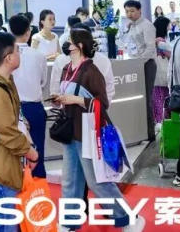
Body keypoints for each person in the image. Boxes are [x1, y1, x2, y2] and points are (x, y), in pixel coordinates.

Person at [54, 29, 146, 231]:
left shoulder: (91, 71)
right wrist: (61, 100)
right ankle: (69, 223)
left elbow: (101, 104)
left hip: (87, 132)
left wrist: (76, 99)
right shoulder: (66, 68)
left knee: (97, 181)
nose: (67, 44)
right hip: (70, 132)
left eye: (70, 41)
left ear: (79, 46)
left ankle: (129, 218)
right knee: (70, 181)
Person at [0, 32, 38, 231]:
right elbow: (7, 132)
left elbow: (15, 120)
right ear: (9, 58)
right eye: (18, 51)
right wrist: (31, 153)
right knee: (7, 224)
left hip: (6, 163)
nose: (20, 54)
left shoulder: (5, 81)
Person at [8, 14, 48, 178]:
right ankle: (38, 189)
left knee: (12, 155)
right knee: (37, 153)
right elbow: (43, 82)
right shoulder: (39, 56)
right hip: (34, 108)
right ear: (28, 32)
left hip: (11, 108)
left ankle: (15, 188)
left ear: (10, 31)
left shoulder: (5, 56)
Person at [50, 23, 115, 102]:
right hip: (67, 108)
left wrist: (99, 107)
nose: (68, 43)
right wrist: (58, 101)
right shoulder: (61, 60)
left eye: (70, 39)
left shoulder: (102, 61)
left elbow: (108, 89)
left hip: (91, 108)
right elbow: (55, 89)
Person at [122, 0, 157, 141]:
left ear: (139, 10)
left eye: (132, 11)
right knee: (137, 98)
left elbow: (150, 48)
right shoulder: (131, 26)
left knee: (146, 98)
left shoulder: (147, 25)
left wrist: (138, 63)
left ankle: (150, 133)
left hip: (146, 64)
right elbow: (126, 44)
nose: (129, 14)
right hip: (134, 64)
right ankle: (139, 131)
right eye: (127, 11)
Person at [152, 17, 172, 127]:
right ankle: (163, 122)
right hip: (163, 74)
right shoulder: (161, 42)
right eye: (168, 24)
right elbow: (171, 55)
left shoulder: (153, 40)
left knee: (157, 99)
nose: (170, 26)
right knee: (164, 99)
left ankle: (158, 121)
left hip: (156, 75)